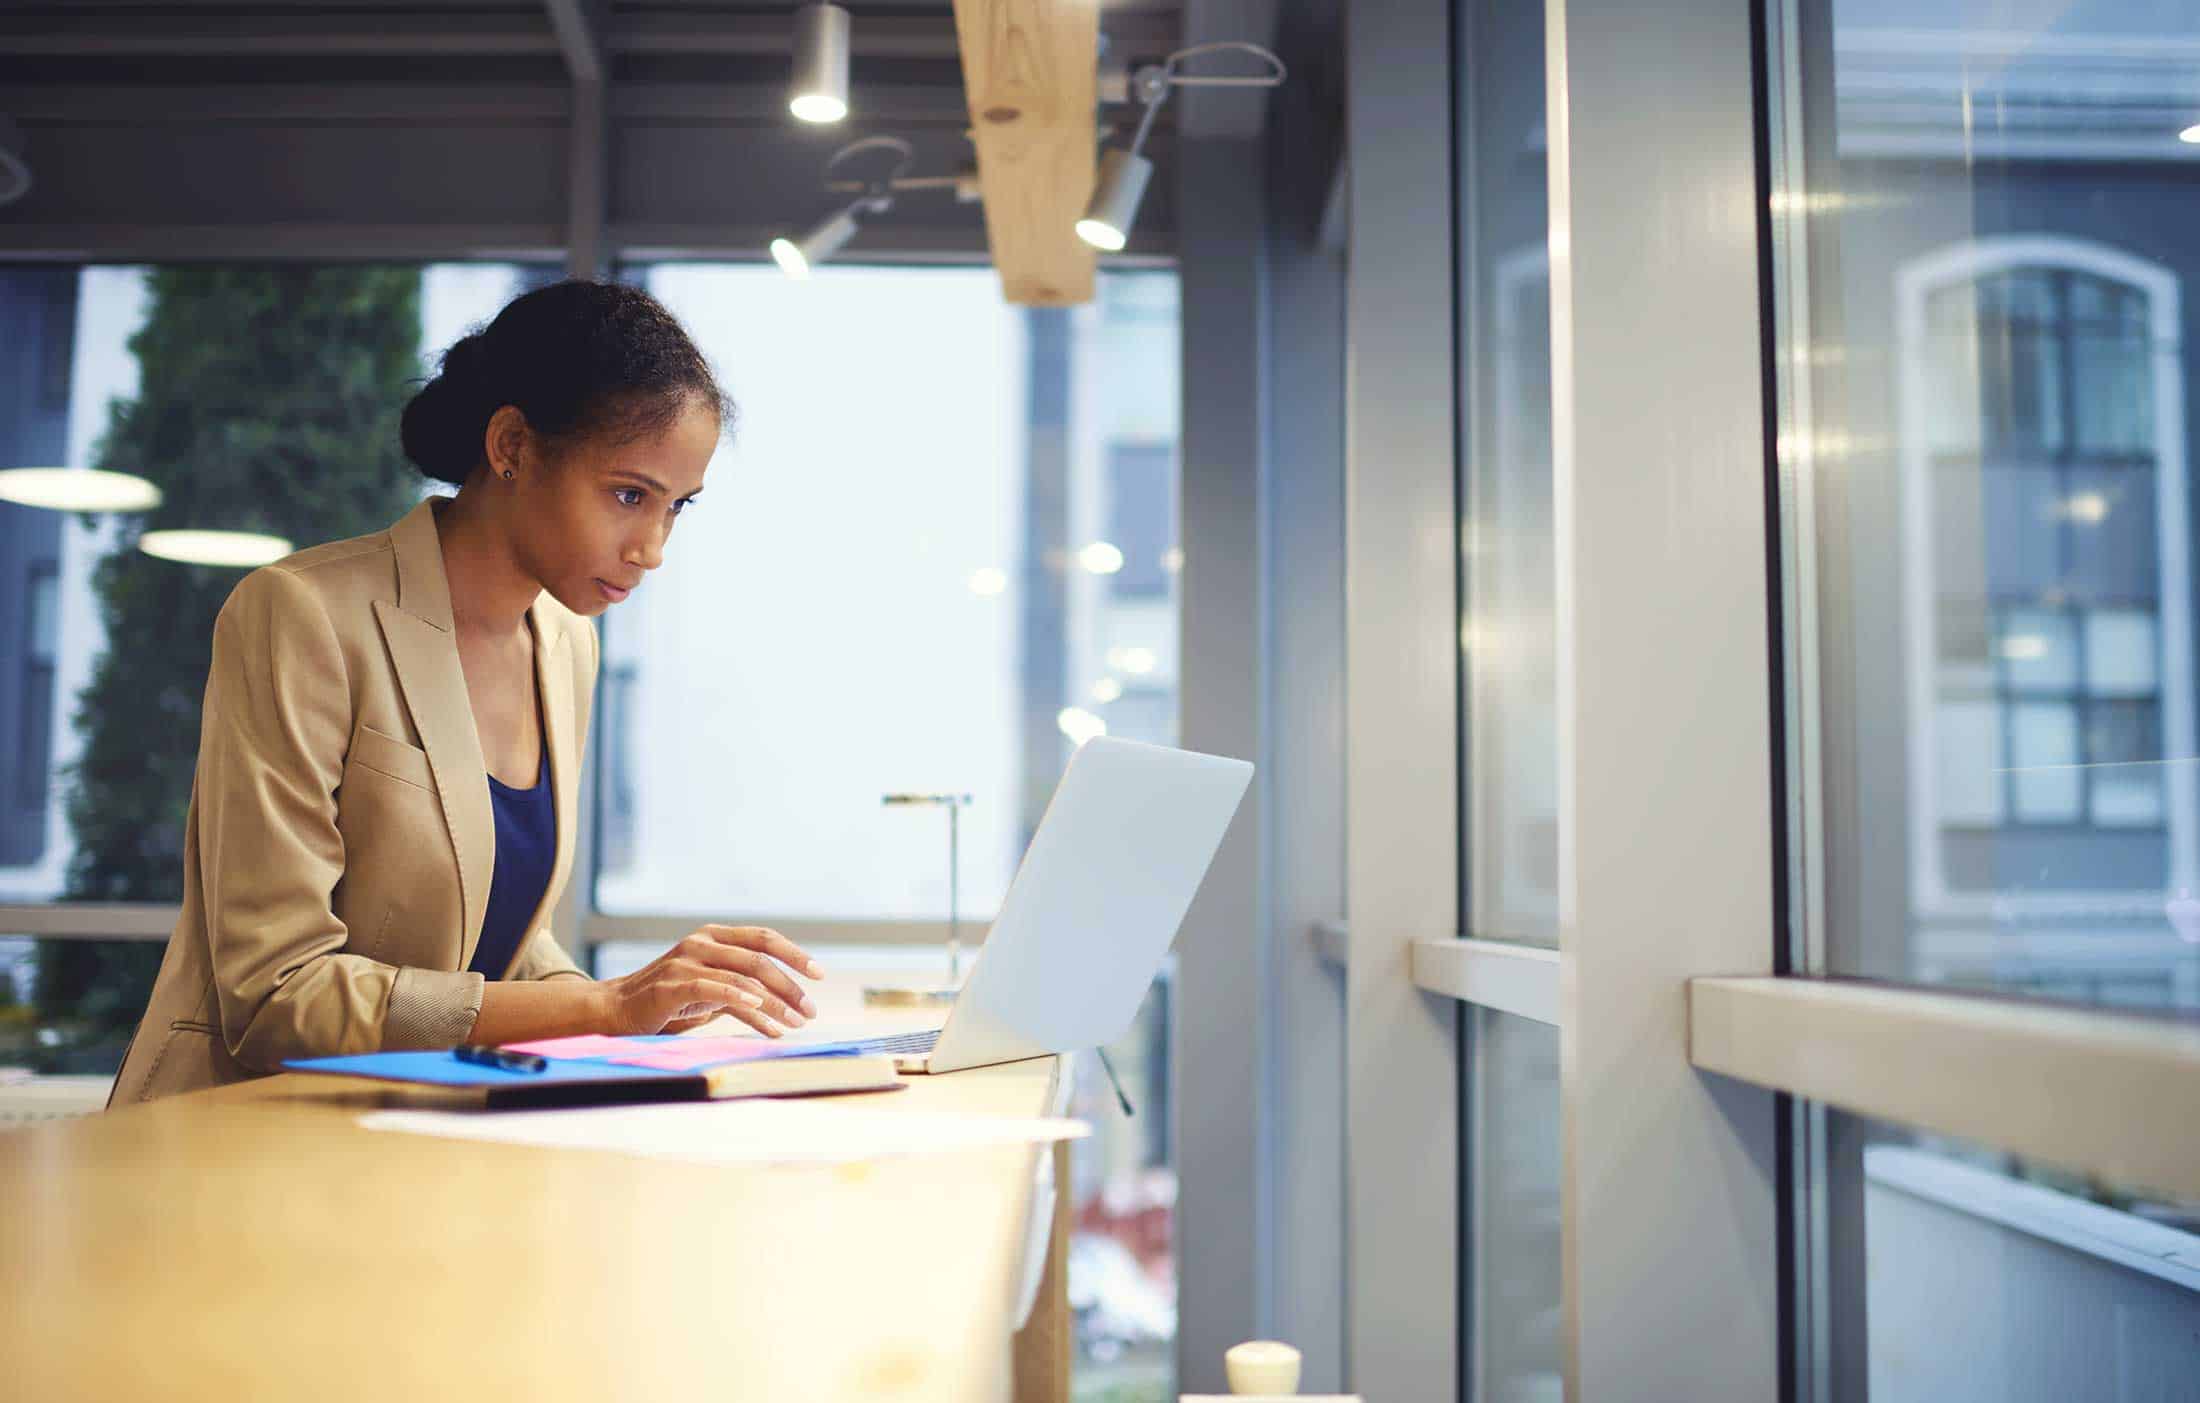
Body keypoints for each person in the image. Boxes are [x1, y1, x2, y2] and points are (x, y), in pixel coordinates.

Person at [108, 279, 820, 1105]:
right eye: (629, 495)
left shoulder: (566, 645)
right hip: (242, 1136)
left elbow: (501, 951)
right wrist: (605, 1005)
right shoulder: (302, 613)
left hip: (426, 1135)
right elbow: (277, 994)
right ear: (512, 445)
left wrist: (647, 1011)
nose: (652, 548)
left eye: (677, 507)